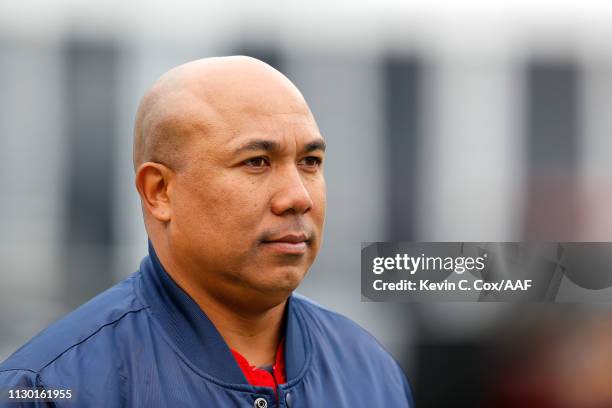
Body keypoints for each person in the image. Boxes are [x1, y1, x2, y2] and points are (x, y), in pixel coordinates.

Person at [0, 56, 414, 407]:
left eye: (310, 161)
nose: (298, 197)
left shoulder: (370, 372)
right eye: (256, 161)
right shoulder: (51, 387)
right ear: (160, 191)